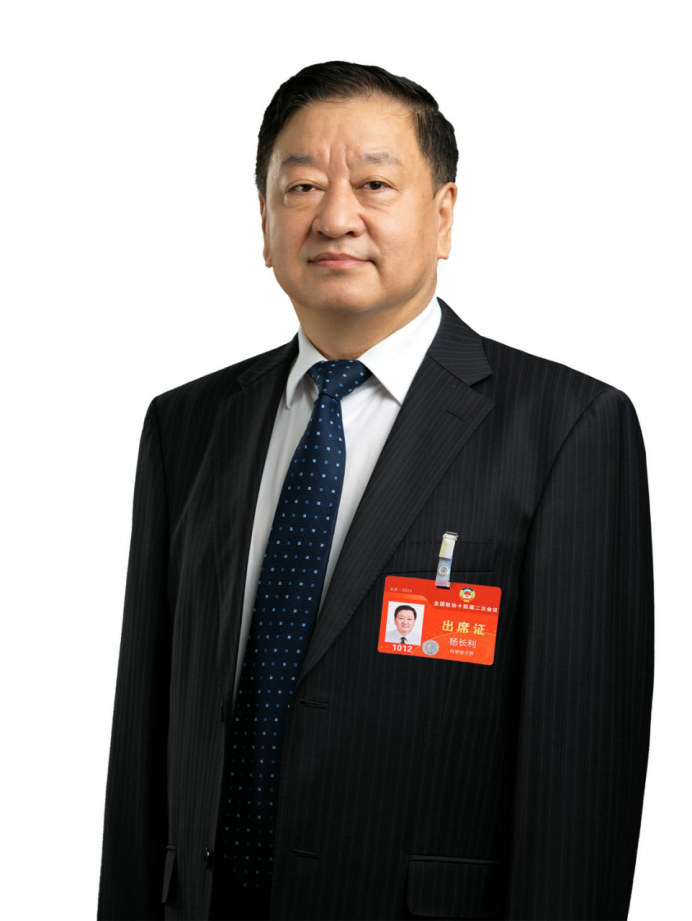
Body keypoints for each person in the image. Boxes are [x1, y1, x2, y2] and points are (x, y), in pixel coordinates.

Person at [96, 61, 654, 921]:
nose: (335, 217)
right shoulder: (187, 425)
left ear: (443, 215)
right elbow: (143, 742)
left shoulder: (567, 430)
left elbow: (580, 787)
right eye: (302, 186)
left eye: (374, 184)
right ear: (264, 220)